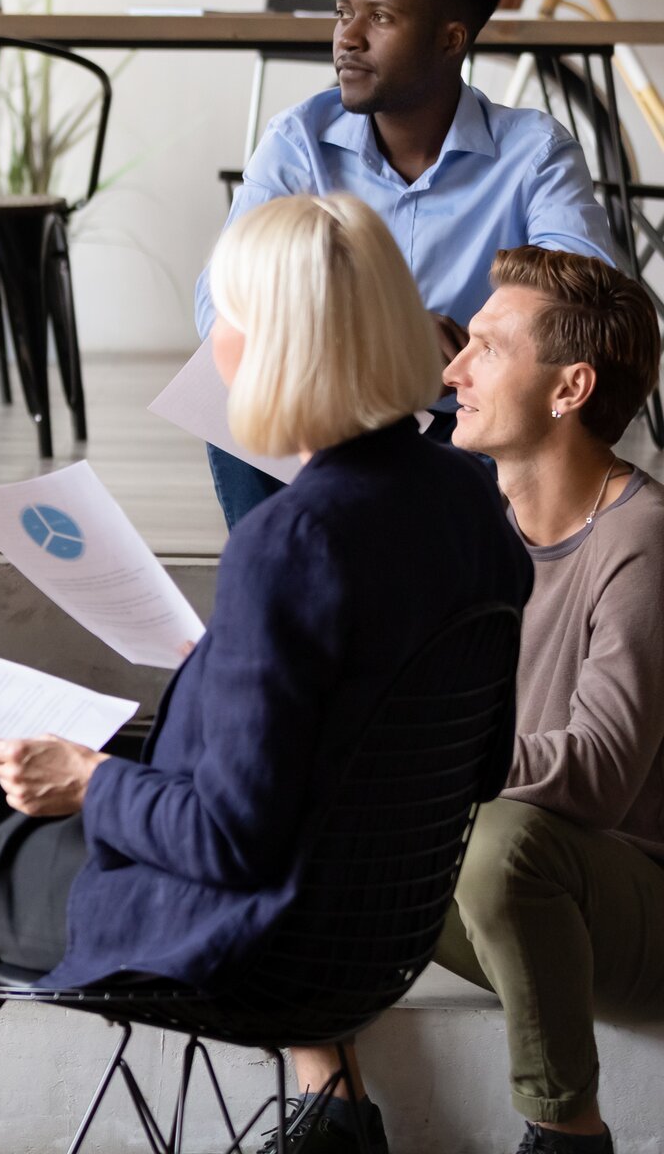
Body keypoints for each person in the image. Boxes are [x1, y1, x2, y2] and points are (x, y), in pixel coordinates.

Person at [0, 194, 532, 1154]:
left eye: (228, 319)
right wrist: (230, 671)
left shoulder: (292, 540)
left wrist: (87, 779)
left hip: (245, 936)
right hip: (377, 933)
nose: (214, 344)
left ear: (268, 347)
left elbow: (233, 838)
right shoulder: (472, 510)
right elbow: (478, 762)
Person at [276, 246, 664, 1154]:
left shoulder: (641, 542)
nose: (451, 371)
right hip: (485, 889)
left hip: (627, 899)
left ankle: (567, 1133)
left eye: (485, 349)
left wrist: (420, 753)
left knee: (500, 844)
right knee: (282, 792)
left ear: (569, 390)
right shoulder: (461, 519)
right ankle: (335, 1112)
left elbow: (600, 780)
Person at [197, 0, 618, 527]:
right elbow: (222, 301)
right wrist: (382, 341)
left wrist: (469, 352)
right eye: (344, 13)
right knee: (224, 390)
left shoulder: (534, 152)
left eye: (381, 18)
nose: (348, 39)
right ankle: (280, 589)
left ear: (451, 41)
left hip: (467, 422)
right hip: (330, 413)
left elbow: (586, 298)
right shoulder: (298, 141)